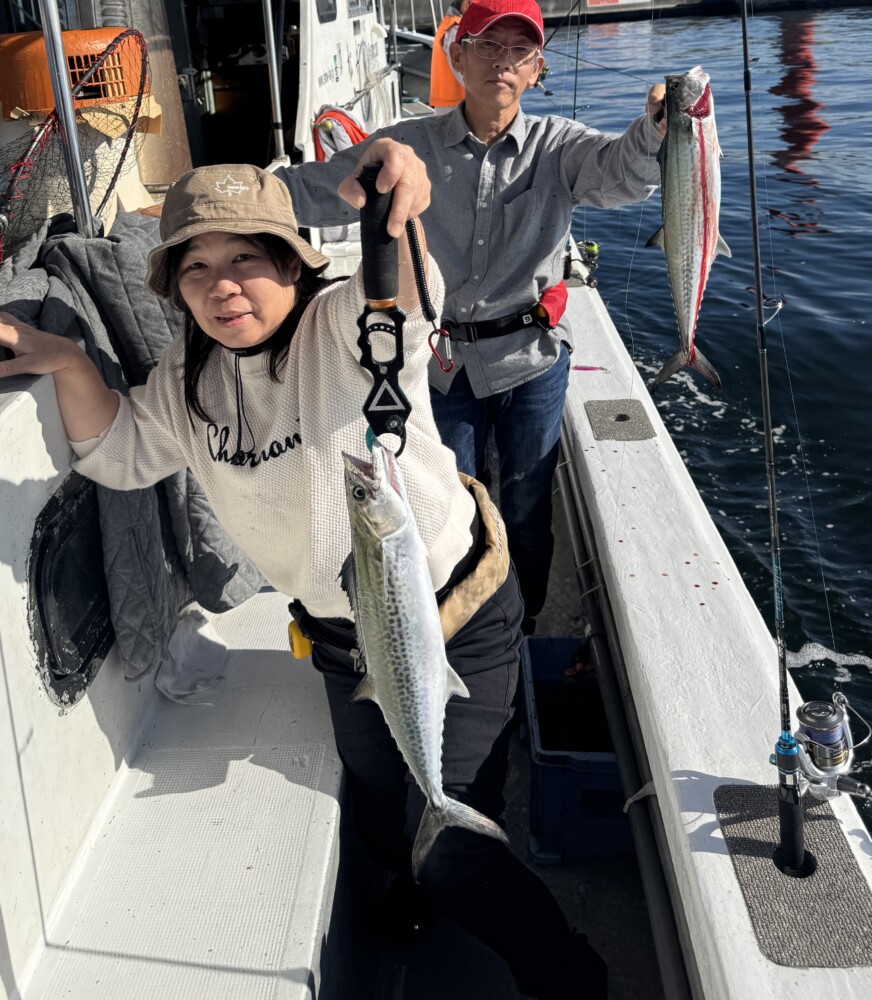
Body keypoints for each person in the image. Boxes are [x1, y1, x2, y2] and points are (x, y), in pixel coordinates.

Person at [0, 163, 606, 999]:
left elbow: (401, 293)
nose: (224, 286)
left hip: (457, 614)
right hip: (343, 645)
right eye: (197, 267)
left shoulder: (338, 330)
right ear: (175, 286)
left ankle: (575, 979)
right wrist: (67, 359)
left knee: (457, 843)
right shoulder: (187, 382)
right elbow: (118, 452)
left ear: (292, 264)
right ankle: (418, 872)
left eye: (248, 258)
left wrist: (398, 210)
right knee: (383, 814)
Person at [276, 0, 666, 634]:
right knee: (446, 506)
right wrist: (229, 199)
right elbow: (320, 190)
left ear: (537, 68)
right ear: (456, 57)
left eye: (519, 51)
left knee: (527, 501)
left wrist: (655, 129)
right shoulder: (406, 145)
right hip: (441, 362)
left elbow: (622, 174)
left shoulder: (558, 146)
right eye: (487, 45)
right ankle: (463, 627)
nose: (502, 62)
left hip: (531, 360)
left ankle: (524, 620)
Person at [429, 0, 471, 114]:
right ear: (468, 3)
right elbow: (463, 73)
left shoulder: (453, 25)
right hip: (454, 107)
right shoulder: (455, 30)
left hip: (453, 105)